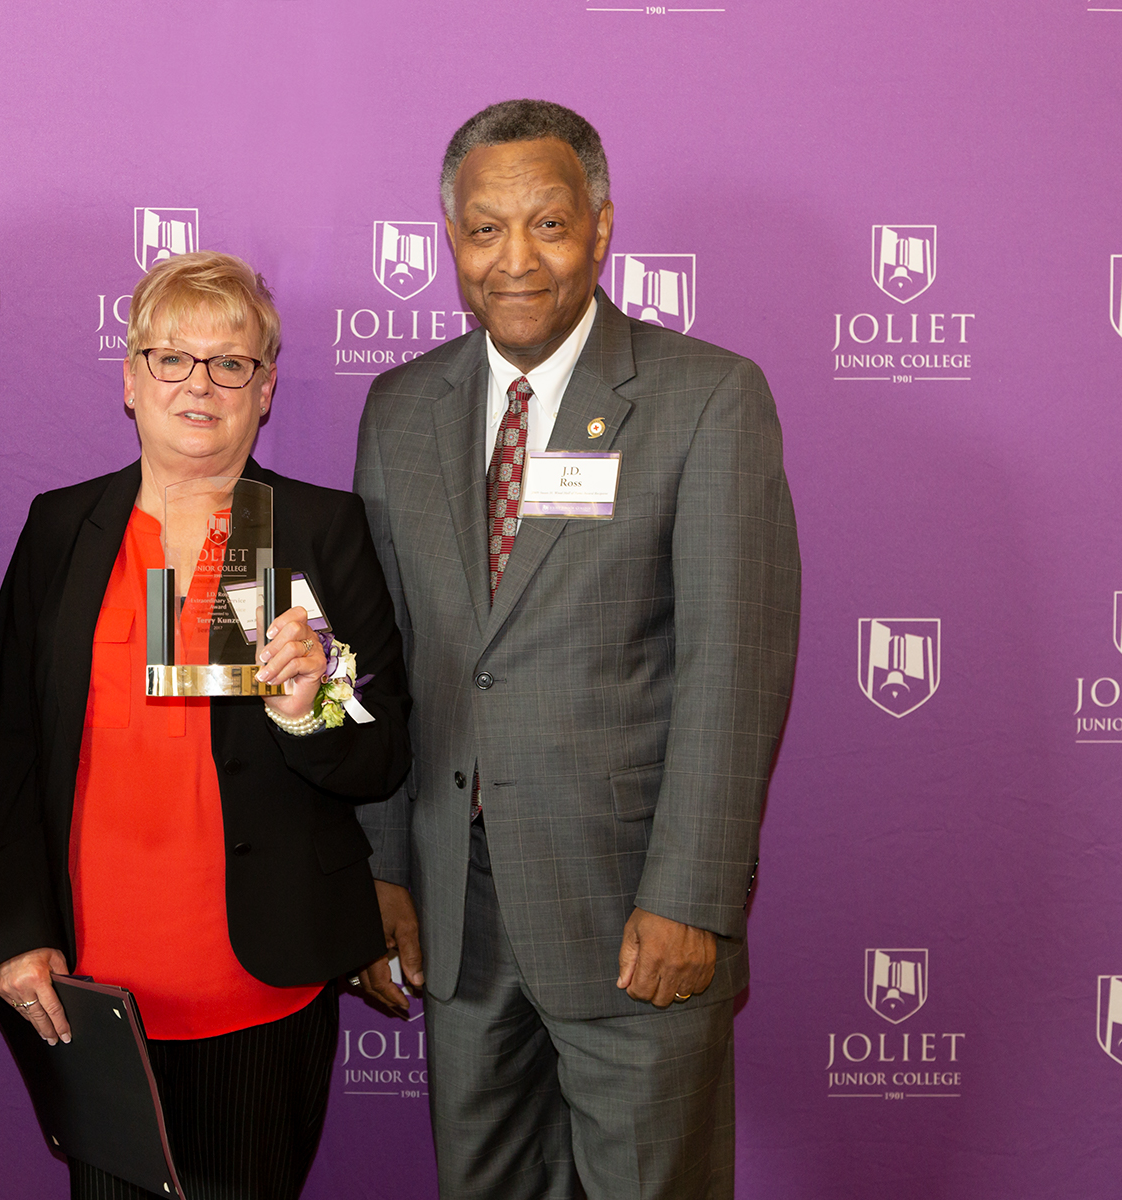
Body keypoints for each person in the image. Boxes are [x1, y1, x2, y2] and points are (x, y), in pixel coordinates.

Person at [351, 100, 801, 1199]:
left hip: (631, 913)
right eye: (485, 229)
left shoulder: (707, 400)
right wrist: (381, 874)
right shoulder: (400, 408)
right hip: (458, 920)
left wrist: (691, 896)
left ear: (602, 229)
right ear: (450, 241)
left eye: (548, 225)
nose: (516, 259)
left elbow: (734, 669)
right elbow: (384, 662)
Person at [0, 251, 412, 1200]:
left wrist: (309, 712)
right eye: (171, 358)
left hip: (260, 975)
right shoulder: (60, 529)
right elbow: (6, 749)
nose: (199, 384)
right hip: (92, 984)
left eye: (231, 362)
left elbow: (383, 753)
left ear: (266, 390)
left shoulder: (319, 530)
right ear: (130, 381)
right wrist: (15, 929)